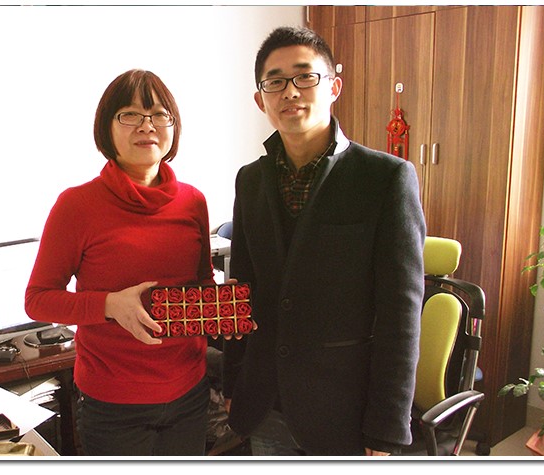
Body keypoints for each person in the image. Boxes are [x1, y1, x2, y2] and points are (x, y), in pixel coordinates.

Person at [221, 26, 426, 456]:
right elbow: (242, 294)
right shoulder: (250, 180)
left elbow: (400, 314)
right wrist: (235, 382)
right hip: (266, 401)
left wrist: (387, 426)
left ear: (334, 87)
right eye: (275, 82)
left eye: (305, 76)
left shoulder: (385, 177)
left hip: (345, 409)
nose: (290, 92)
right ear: (260, 100)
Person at [25, 69, 214, 456]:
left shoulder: (193, 201)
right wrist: (110, 305)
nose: (147, 126)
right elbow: (38, 299)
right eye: (130, 115)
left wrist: (228, 314)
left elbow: (203, 285)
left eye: (159, 114)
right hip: (113, 406)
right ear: (106, 128)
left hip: (190, 394)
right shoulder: (76, 205)